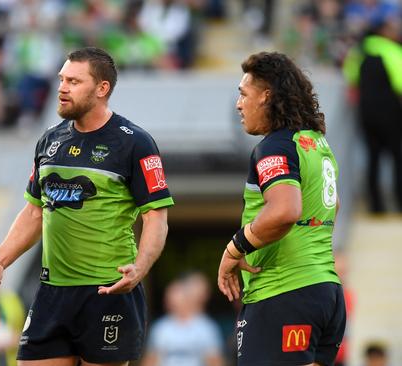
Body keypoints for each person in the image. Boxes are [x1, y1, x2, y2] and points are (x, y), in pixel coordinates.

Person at [0, 47, 174, 366]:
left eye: (73, 81)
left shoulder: (135, 143)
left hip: (106, 292)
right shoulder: (49, 141)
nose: (62, 88)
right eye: (61, 79)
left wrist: (140, 267)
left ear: (102, 89)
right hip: (52, 292)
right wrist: (0, 260)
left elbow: (156, 218)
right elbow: (33, 211)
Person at [217, 52, 346, 366]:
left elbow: (285, 210)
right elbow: (333, 206)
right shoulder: (317, 144)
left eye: (243, 94)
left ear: (266, 96)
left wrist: (234, 249)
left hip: (284, 293)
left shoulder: (275, 145)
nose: (238, 104)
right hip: (325, 292)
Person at [342, 5, 402, 213]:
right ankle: (399, 203)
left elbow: (350, 78)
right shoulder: (392, 50)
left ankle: (376, 207)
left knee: (373, 159)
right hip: (392, 115)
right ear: (383, 30)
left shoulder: (358, 52)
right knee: (397, 158)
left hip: (366, 114)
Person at [142, 272, 224, 366]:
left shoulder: (206, 327)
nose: (171, 299)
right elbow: (151, 360)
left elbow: (215, 361)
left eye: (176, 294)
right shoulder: (161, 327)